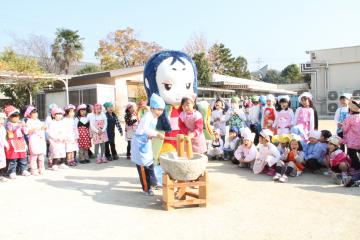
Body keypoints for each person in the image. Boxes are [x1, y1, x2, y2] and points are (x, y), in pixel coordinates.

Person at [131, 93, 165, 196]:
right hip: (139, 143)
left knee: (150, 164)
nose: (160, 112)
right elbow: (145, 129)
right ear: (153, 108)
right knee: (143, 167)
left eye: (162, 109)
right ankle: (146, 188)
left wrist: (152, 135)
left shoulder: (154, 116)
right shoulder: (148, 116)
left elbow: (147, 130)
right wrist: (156, 134)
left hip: (146, 142)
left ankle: (153, 184)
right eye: (158, 109)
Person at [4, 105, 29, 179]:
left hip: (20, 142)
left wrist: (24, 127)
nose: (16, 117)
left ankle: (23, 169)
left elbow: (25, 132)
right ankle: (12, 171)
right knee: (13, 158)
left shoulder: (20, 123)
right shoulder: (8, 124)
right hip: (12, 143)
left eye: (17, 115)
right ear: (9, 117)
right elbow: (11, 130)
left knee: (23, 157)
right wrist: (19, 125)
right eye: (14, 116)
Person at [24, 106, 47, 175]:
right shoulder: (28, 121)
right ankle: (33, 169)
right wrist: (33, 129)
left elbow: (43, 128)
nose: (35, 114)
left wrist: (44, 127)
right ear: (30, 114)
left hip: (40, 139)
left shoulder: (39, 121)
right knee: (34, 156)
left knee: (41, 156)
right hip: (34, 139)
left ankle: (41, 168)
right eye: (33, 113)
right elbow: (26, 131)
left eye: (36, 113)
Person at [342, 99, 360, 171]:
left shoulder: (349, 118)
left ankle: (357, 168)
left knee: (352, 155)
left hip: (352, 141)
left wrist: (342, 126)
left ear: (351, 110)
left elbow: (345, 129)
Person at [0, 112, 9, 182]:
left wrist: (6, 144)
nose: (2, 121)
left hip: (1, 148)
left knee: (2, 161)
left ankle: (1, 175)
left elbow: (3, 138)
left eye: (3, 119)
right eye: (0, 119)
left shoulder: (3, 128)